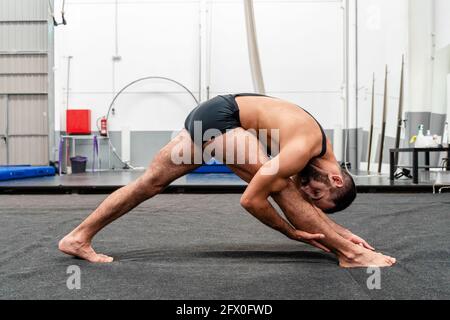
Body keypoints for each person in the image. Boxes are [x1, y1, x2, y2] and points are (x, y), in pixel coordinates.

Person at [59, 94, 396, 268]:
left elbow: (295, 194)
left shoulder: (319, 153)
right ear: (336, 178)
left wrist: (340, 231)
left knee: (149, 182)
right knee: (278, 185)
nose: (307, 191)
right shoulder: (304, 148)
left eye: (313, 196)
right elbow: (250, 200)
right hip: (223, 118)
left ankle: (78, 237)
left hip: (208, 114)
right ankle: (350, 256)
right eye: (316, 191)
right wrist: (290, 232)